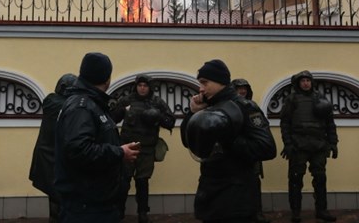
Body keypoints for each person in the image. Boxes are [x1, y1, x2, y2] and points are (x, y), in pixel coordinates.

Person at [181, 59, 277, 223]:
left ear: (220, 82)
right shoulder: (208, 106)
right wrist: (194, 114)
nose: (201, 88)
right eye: (200, 83)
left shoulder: (244, 107)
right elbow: (189, 142)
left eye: (205, 82)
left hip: (237, 199)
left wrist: (227, 138)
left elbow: (267, 148)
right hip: (211, 194)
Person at [54, 52, 140, 223]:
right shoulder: (82, 107)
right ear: (107, 78)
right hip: (87, 208)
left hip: (97, 204)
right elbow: (79, 149)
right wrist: (119, 152)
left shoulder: (92, 103)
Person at [111, 74, 175, 223]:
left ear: (149, 87)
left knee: (142, 181)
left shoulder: (157, 102)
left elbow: (170, 121)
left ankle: (142, 213)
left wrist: (157, 116)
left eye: (145, 85)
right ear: (136, 86)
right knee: (123, 180)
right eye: (140, 85)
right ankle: (119, 212)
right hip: (128, 147)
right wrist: (121, 111)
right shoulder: (127, 100)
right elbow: (112, 118)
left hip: (146, 149)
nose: (142, 88)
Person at [279, 70, 338, 223]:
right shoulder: (292, 99)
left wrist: (333, 143)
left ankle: (322, 210)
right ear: (298, 83)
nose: (306, 83)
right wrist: (288, 144)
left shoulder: (320, 98)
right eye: (302, 80)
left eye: (308, 80)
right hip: (298, 146)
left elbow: (330, 123)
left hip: (319, 145)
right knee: (295, 179)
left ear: (312, 82)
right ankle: (296, 212)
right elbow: (285, 124)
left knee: (320, 178)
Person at [29, 73, 77, 223]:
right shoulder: (52, 101)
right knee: (56, 193)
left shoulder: (69, 103)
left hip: (59, 155)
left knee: (59, 194)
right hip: (48, 154)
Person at [232, 78, 270, 223]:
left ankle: (257, 213)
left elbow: (261, 125)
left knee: (254, 182)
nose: (242, 91)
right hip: (234, 151)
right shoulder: (227, 106)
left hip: (251, 150)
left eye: (244, 89)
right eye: (238, 89)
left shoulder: (252, 106)